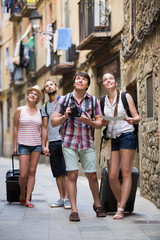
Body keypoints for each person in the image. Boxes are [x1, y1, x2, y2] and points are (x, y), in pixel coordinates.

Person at [51, 71, 106, 222]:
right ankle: (74, 210)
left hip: (87, 142)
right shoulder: (65, 99)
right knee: (72, 175)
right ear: (74, 82)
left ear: (87, 84)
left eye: (84, 79)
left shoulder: (93, 101)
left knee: (92, 176)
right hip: (69, 142)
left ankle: (97, 204)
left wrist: (88, 121)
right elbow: (53, 122)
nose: (80, 81)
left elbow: (99, 123)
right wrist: (65, 116)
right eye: (78, 79)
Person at [101, 72, 140, 219]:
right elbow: (99, 121)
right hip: (112, 138)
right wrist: (101, 122)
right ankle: (119, 202)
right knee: (111, 176)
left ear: (115, 82)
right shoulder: (103, 100)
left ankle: (121, 208)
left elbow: (137, 117)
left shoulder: (125, 96)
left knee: (125, 172)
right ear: (103, 84)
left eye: (111, 78)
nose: (108, 81)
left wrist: (131, 119)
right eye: (105, 80)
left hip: (126, 135)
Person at [42, 79, 71, 209]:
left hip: (65, 140)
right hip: (53, 142)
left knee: (66, 171)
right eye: (47, 86)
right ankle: (61, 198)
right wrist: (44, 145)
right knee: (57, 172)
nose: (49, 87)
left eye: (51, 85)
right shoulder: (45, 107)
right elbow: (44, 127)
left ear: (56, 86)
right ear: (45, 90)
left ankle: (68, 199)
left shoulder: (65, 100)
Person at [13, 85, 43, 208]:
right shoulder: (20, 110)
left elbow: (43, 128)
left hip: (36, 144)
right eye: (31, 93)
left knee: (32, 172)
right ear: (27, 96)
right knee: (23, 174)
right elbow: (15, 127)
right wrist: (15, 146)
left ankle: (27, 198)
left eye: (35, 94)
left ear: (37, 99)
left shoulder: (41, 112)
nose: (33, 95)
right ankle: (22, 192)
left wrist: (44, 145)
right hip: (23, 144)